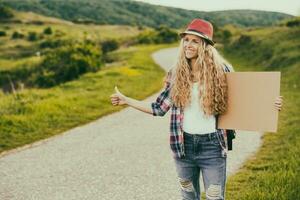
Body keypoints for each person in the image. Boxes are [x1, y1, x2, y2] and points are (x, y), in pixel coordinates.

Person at [110, 18, 283, 200]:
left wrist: (270, 104)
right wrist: (126, 100)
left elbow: (240, 103)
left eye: (195, 41)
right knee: (188, 196)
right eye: (186, 40)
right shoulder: (176, 73)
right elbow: (158, 108)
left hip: (213, 147)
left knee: (214, 197)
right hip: (183, 146)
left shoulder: (222, 71)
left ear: (206, 46)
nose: (188, 45)